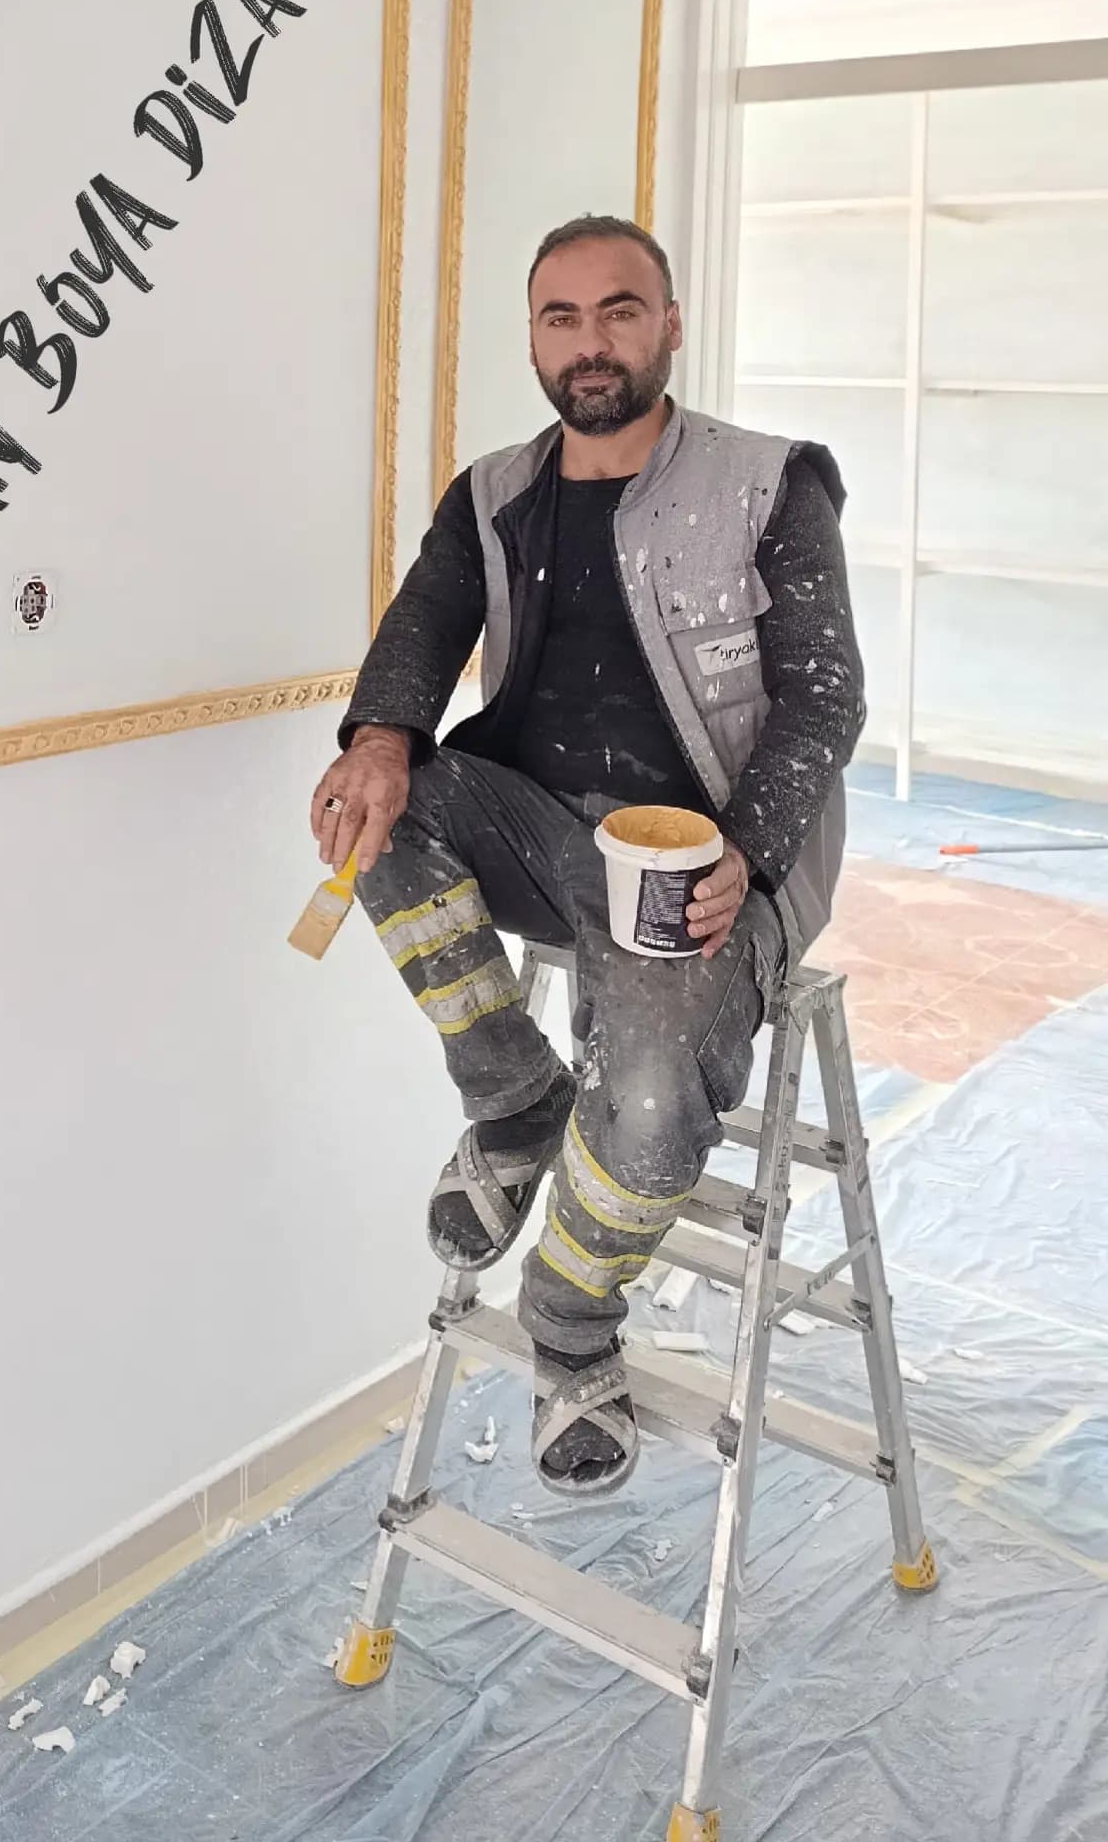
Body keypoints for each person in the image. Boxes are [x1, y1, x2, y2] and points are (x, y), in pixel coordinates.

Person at [310, 214, 865, 1496]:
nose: (591, 341)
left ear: (669, 324)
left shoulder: (771, 483)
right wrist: (380, 741)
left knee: (657, 1101)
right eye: (562, 317)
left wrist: (749, 857)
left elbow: (824, 698)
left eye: (620, 310)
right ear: (534, 340)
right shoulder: (495, 491)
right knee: (379, 810)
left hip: (703, 858)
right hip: (542, 831)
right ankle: (518, 1097)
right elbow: (422, 626)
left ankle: (570, 1318)